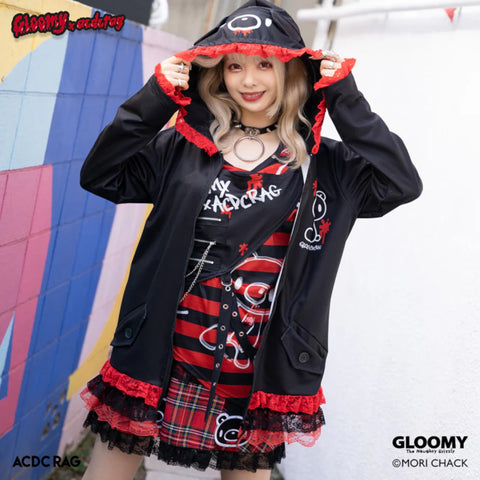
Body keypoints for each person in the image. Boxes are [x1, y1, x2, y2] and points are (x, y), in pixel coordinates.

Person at [79, 1, 422, 479]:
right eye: (234, 66)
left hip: (256, 371)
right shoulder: (184, 144)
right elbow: (100, 174)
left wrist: (345, 98)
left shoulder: (328, 165)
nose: (248, 80)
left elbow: (402, 183)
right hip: (161, 356)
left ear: (291, 71)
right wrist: (154, 99)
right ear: (217, 73)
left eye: (265, 64)